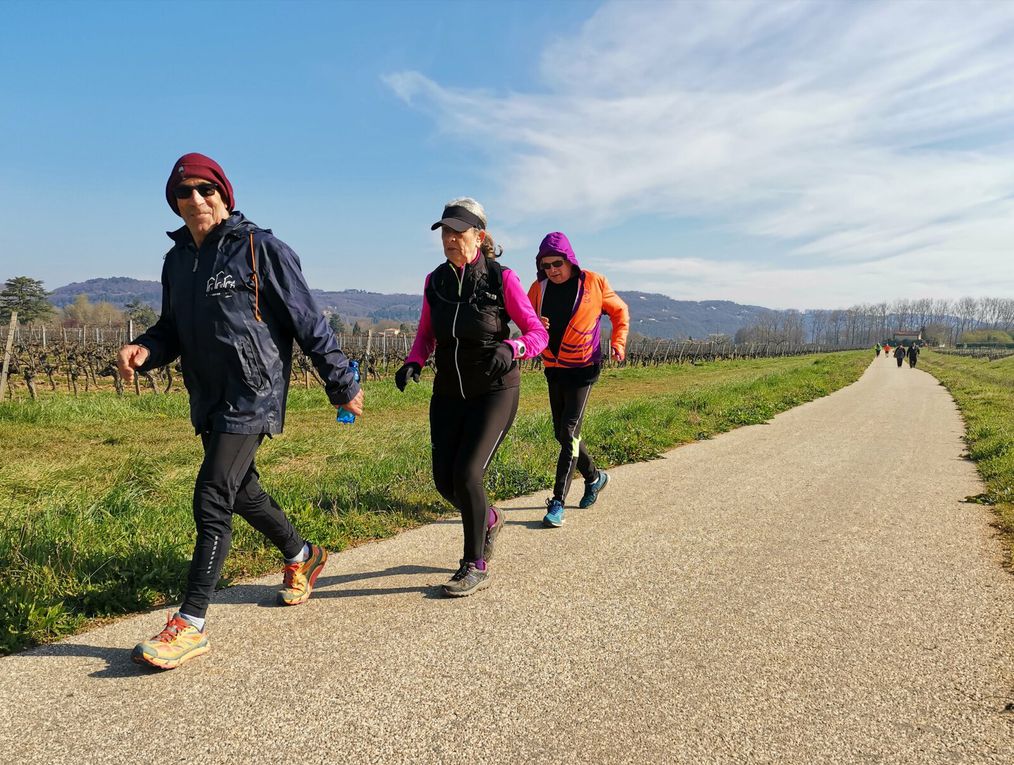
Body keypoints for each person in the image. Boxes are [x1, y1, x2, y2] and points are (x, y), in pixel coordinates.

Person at [117, 153, 363, 669]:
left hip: (253, 391)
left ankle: (190, 624)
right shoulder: (177, 260)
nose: (196, 200)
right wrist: (145, 350)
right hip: (207, 395)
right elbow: (171, 330)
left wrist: (340, 382)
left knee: (212, 494)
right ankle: (303, 555)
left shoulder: (260, 248)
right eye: (185, 193)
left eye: (206, 190)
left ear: (225, 195)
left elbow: (307, 321)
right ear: (175, 203)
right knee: (242, 490)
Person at [394, 198, 547, 597]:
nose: (450, 239)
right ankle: (490, 518)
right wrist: (414, 361)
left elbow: (538, 334)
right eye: (445, 232)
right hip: (448, 391)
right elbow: (427, 332)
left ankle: (473, 563)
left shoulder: (501, 278)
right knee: (445, 481)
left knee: (467, 475)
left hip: (494, 391)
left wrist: (511, 348)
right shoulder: (436, 281)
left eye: (458, 232)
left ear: (479, 236)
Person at [526, 232, 629, 528]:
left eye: (557, 263)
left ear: (570, 260)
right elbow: (525, 318)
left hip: (584, 368)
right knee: (561, 433)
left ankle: (557, 501)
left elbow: (619, 311)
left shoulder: (594, 283)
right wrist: (535, 322)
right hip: (554, 367)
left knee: (569, 432)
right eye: (545, 265)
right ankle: (595, 477)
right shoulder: (538, 288)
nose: (552, 270)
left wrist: (618, 343)